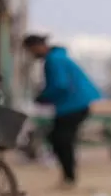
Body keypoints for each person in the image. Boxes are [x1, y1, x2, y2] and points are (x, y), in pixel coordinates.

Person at [23, 34, 101, 186]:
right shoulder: (57, 58)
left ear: (36, 46)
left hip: (73, 105)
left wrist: (44, 97)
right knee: (60, 138)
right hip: (74, 104)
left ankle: (69, 176)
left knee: (60, 139)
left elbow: (60, 85)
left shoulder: (53, 60)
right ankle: (68, 175)